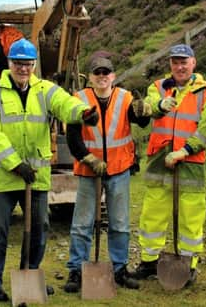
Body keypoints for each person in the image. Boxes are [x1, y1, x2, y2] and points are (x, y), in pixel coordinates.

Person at [0, 38, 99, 302]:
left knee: (39, 227)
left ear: (34, 65)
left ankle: (30, 274)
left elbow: (66, 104)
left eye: (28, 64)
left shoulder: (45, 89)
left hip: (37, 175)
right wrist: (15, 164)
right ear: (10, 64)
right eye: (19, 64)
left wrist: (83, 114)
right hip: (6, 176)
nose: (23, 69)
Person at [133, 43, 206, 288]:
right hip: (160, 159)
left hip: (190, 161)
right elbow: (149, 106)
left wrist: (185, 150)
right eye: (175, 62)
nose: (180, 66)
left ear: (193, 63)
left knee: (191, 215)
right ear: (170, 65)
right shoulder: (158, 87)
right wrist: (160, 106)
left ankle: (187, 265)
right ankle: (149, 261)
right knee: (153, 212)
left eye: (184, 62)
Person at [63, 56, 150, 293]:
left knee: (120, 223)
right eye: (97, 72)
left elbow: (140, 122)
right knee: (82, 223)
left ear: (113, 76)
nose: (102, 76)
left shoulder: (125, 97)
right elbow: (72, 136)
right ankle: (76, 270)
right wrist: (87, 158)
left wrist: (145, 112)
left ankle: (120, 269)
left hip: (119, 168)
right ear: (90, 77)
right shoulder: (79, 100)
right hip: (89, 170)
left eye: (106, 72)